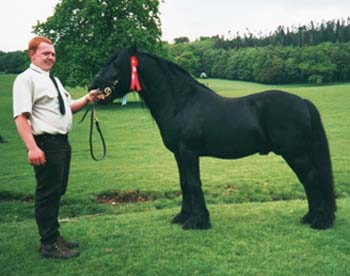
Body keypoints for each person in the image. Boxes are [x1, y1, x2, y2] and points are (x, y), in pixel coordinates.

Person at [13, 36, 104, 259]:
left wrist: (87, 98)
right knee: (47, 193)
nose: (51, 57)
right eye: (46, 53)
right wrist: (32, 148)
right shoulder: (26, 79)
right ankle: (49, 244)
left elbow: (67, 108)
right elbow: (21, 117)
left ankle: (53, 237)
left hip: (61, 143)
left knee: (56, 192)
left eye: (53, 53)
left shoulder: (53, 80)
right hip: (45, 143)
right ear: (32, 54)